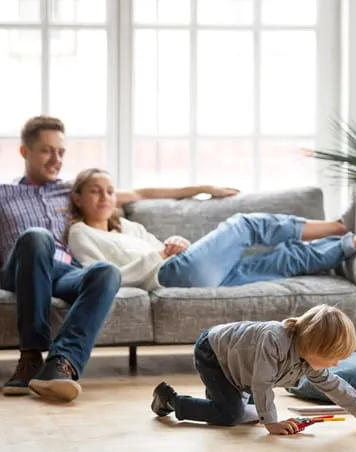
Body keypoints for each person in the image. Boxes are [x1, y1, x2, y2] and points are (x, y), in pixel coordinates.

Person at [0, 116, 239, 401]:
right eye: (46, 150)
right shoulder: (4, 194)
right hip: (21, 270)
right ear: (24, 151)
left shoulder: (69, 190)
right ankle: (30, 357)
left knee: (106, 271)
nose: (56, 159)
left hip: (64, 271)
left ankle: (61, 365)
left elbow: (141, 193)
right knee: (37, 237)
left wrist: (204, 188)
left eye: (61, 152)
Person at [66, 168, 356, 290]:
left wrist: (175, 242)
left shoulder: (128, 226)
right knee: (245, 224)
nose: (104, 197)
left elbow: (162, 245)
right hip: (169, 275)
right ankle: (338, 225)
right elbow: (101, 275)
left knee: (285, 259)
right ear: (78, 198)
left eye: (109, 191)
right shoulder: (81, 233)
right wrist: (161, 255)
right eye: (95, 191)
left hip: (189, 269)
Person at [150, 305, 356, 434]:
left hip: (241, 367)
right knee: (231, 415)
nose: (336, 364)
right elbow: (262, 384)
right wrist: (271, 423)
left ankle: (219, 399)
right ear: (314, 346)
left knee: (244, 413)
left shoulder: (310, 362)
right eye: (333, 358)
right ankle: (171, 400)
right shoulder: (274, 339)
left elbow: (338, 389)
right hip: (214, 353)